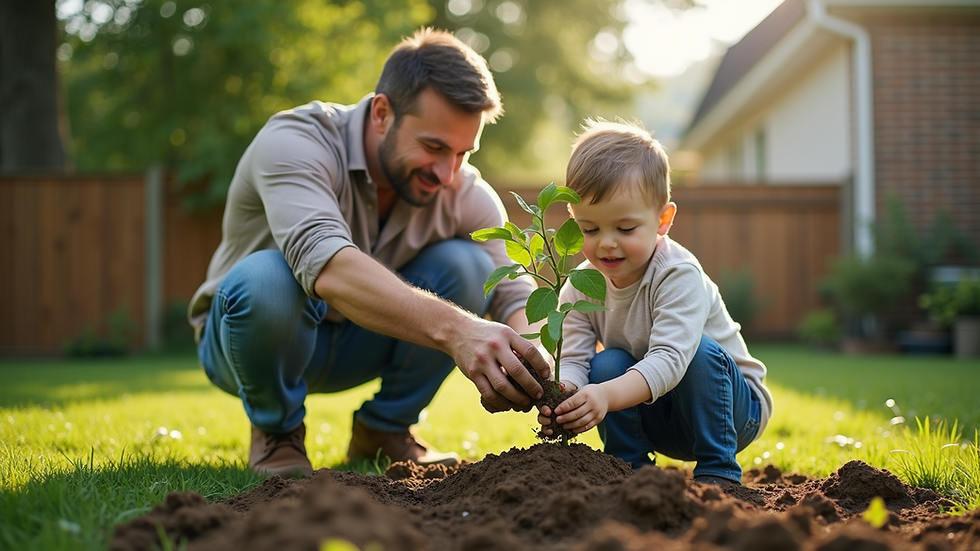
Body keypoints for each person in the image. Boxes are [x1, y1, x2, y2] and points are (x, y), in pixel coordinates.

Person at [188, 28, 550, 479]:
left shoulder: (465, 189)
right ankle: (276, 433)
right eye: (434, 147)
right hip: (250, 340)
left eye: (462, 153)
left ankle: (384, 430)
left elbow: (515, 293)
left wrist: (538, 362)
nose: (447, 173)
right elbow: (329, 267)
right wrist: (459, 331)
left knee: (471, 266)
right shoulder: (295, 141)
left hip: (361, 342)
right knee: (267, 280)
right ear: (382, 113)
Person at [537, 120, 773, 487]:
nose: (606, 244)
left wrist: (605, 395)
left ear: (663, 220)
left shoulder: (677, 273)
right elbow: (573, 358)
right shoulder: (583, 283)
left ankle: (718, 471)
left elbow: (671, 359)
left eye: (626, 229)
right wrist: (567, 396)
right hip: (661, 417)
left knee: (699, 352)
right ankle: (629, 469)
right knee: (607, 362)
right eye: (590, 229)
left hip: (731, 413)